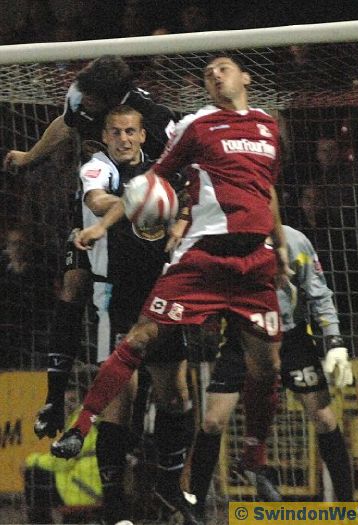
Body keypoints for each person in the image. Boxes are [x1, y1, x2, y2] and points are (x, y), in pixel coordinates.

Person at [52, 56, 290, 525]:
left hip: (255, 263)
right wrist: (103, 224)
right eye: (208, 72)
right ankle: (80, 427)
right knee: (138, 339)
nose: (216, 75)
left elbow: (267, 189)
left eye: (224, 68)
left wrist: (279, 243)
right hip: (202, 256)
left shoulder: (267, 127)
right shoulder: (197, 125)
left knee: (267, 367)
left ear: (246, 77)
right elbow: (153, 179)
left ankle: (253, 454)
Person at [3, 55, 177, 440]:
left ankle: (144, 400)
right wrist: (31, 157)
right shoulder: (82, 99)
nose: (84, 101)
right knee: (74, 285)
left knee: (142, 322)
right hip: (95, 211)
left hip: (144, 228)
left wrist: (173, 213)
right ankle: (53, 399)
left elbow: (186, 166)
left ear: (117, 101)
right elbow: (67, 126)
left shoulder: (156, 118)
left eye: (93, 99)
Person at [49, 104, 191, 524]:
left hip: (162, 292)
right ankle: (114, 511)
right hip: (116, 296)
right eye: (116, 132)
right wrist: (141, 202)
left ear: (144, 135)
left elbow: (187, 198)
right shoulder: (98, 166)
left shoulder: (164, 169)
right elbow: (96, 200)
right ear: (106, 136)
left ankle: (169, 489)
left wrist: (177, 211)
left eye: (131, 131)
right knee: (118, 401)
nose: (124, 139)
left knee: (176, 396)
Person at [190, 225, 354, 521]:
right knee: (212, 421)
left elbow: (318, 292)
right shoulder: (225, 239)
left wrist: (334, 341)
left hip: (291, 339)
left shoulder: (293, 241)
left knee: (325, 419)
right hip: (242, 337)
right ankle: (196, 510)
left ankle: (348, 510)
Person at [24, 367, 102, 524]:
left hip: (85, 489)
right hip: (94, 484)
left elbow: (61, 460)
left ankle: (40, 522)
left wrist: (32, 460)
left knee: (34, 473)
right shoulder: (93, 414)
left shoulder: (83, 418)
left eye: (72, 391)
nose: (67, 397)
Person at [0, 224, 57, 369]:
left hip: (32, 326)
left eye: (21, 243)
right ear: (7, 247)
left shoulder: (39, 274)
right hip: (6, 326)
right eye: (14, 243)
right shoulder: (3, 273)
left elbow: (47, 301)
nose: (18, 248)